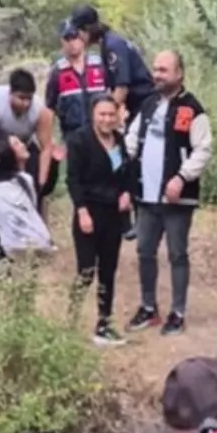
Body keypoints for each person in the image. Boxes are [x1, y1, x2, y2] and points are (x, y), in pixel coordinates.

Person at [125, 51, 212, 336]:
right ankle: (149, 308)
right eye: (155, 69)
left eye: (164, 70)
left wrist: (181, 177)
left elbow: (203, 150)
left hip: (177, 198)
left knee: (177, 253)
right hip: (146, 197)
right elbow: (130, 142)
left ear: (179, 73)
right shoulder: (148, 105)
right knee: (145, 251)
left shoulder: (192, 109)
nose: (157, 74)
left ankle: (178, 312)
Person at [67, 96, 132, 346]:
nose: (106, 119)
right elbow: (73, 180)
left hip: (113, 214)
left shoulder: (118, 141)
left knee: (108, 270)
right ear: (93, 115)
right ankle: (70, 322)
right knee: (86, 270)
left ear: (116, 116)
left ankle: (104, 323)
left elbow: (125, 172)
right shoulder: (80, 140)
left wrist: (126, 193)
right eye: (102, 114)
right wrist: (82, 211)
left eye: (110, 115)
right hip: (89, 211)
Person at [0, 69, 55, 206]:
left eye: (29, 99)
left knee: (32, 189)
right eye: (21, 98)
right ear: (10, 93)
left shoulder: (41, 110)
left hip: (26, 147)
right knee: (0, 194)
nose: (25, 104)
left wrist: (41, 182)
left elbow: (46, 148)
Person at [66, 4, 153, 123]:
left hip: (144, 105)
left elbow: (121, 88)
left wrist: (108, 117)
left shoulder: (113, 45)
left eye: (78, 32)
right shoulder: (106, 44)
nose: (77, 38)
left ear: (87, 30)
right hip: (137, 107)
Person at [44, 20, 112, 162]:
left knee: (115, 169)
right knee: (78, 178)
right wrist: (49, 141)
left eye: (74, 37)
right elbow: (49, 110)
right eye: (67, 38)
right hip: (73, 137)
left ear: (82, 39)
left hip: (105, 133)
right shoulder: (57, 73)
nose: (71, 42)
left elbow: (116, 96)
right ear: (61, 41)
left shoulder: (100, 65)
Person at [0, 133, 54, 259]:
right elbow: (33, 207)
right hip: (40, 241)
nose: (23, 145)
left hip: (12, 245)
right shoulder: (26, 180)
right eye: (16, 144)